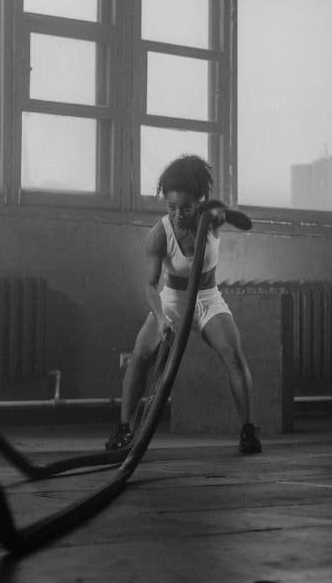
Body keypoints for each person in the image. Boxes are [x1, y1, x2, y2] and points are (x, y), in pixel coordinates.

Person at [104, 154, 260, 454]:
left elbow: (246, 223)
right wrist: (161, 317)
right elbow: (150, 286)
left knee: (234, 355)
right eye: (170, 207)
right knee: (139, 355)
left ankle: (248, 431)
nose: (177, 214)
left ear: (199, 201)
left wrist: (223, 214)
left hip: (207, 298)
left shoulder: (210, 219)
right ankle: (125, 429)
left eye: (185, 208)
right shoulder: (159, 234)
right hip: (172, 300)